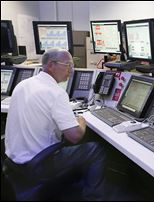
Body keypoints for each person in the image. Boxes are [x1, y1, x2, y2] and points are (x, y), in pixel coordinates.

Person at [4, 48, 106, 200]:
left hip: (13, 163)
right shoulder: (56, 93)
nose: (71, 70)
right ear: (51, 65)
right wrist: (81, 121)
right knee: (96, 150)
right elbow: (75, 137)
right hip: (39, 165)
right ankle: (93, 196)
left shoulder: (23, 85)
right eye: (68, 65)